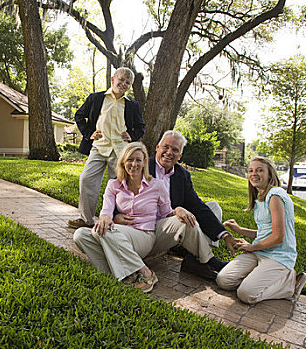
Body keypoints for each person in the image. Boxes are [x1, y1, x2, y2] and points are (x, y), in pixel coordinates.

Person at [114, 130, 236, 280]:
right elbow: (116, 193)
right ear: (157, 147)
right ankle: (209, 261)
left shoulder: (182, 175)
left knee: (213, 207)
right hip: (144, 232)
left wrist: (225, 235)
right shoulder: (139, 165)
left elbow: (198, 207)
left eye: (175, 150)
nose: (169, 152)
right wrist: (115, 216)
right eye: (166, 147)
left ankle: (194, 259)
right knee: (181, 220)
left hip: (167, 228)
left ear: (180, 155)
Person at [74, 142, 177, 293]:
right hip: (118, 236)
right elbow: (106, 210)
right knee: (80, 235)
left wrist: (179, 211)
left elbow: (167, 213)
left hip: (144, 236)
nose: (134, 164)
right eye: (130, 159)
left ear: (144, 163)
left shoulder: (157, 185)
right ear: (123, 162)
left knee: (103, 231)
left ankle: (146, 273)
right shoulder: (113, 185)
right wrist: (105, 217)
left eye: (138, 160)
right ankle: (121, 275)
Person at [216, 156, 306, 304]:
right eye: (251, 170)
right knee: (224, 280)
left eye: (260, 170)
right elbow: (265, 232)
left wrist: (252, 246)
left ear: (269, 174)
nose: (254, 174)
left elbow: (278, 237)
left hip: (278, 256)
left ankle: (290, 283)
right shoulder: (260, 198)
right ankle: (257, 277)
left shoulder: (275, 195)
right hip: (260, 252)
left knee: (246, 294)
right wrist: (240, 230)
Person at [67, 67, 145, 229]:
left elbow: (140, 126)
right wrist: (89, 133)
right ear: (113, 79)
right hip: (98, 147)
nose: (123, 84)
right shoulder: (96, 98)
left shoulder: (132, 105)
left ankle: (115, 220)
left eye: (127, 82)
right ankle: (86, 219)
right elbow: (79, 115)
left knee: (119, 186)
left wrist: (132, 135)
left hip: (120, 151)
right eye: (121, 79)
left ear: (130, 86)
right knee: (87, 179)